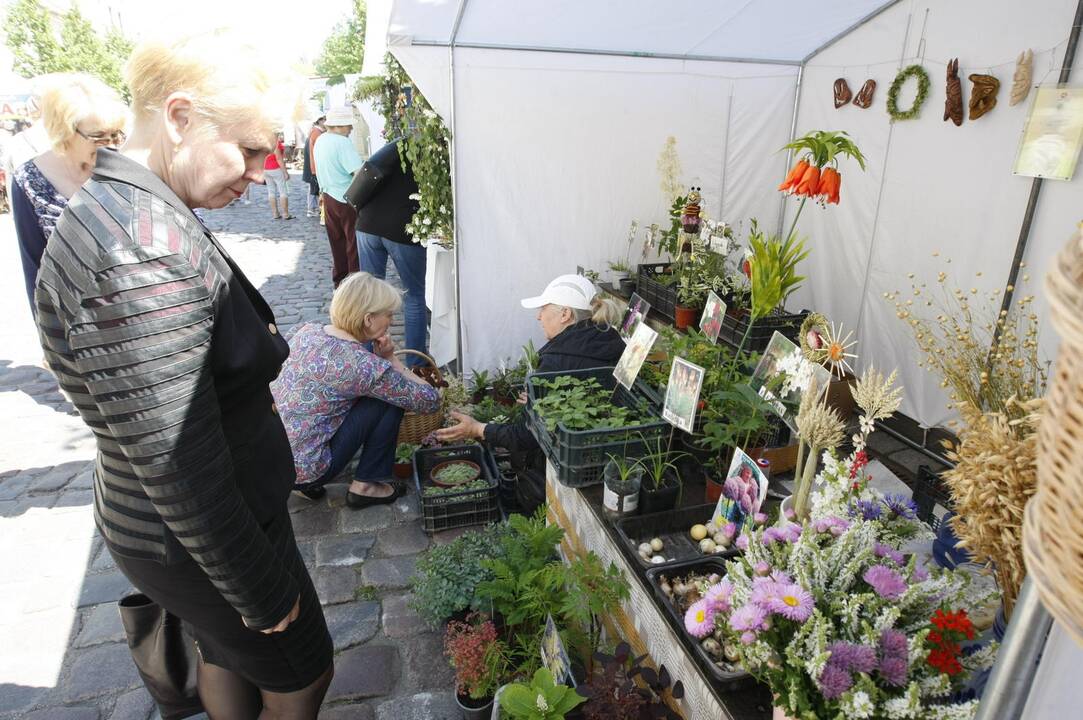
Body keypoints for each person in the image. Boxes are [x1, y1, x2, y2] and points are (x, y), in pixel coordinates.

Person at [33, 35, 333, 718]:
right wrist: (257, 587)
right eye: (252, 148)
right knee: (302, 672)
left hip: (184, 526)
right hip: (199, 534)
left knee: (224, 653)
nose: (264, 171)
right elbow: (178, 466)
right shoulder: (141, 247)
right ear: (179, 117)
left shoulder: (128, 204)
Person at [435, 274, 625, 513]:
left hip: (570, 468)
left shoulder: (558, 362)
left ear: (565, 314)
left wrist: (477, 429)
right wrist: (540, 399)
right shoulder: (611, 340)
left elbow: (528, 435)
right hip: (609, 455)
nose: (538, 316)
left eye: (544, 309)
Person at [271, 272, 440, 505]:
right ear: (368, 319)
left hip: (273, 460)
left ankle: (307, 484)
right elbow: (430, 400)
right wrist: (391, 359)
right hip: (307, 471)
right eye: (389, 315)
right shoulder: (363, 366)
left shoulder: (306, 331)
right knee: (389, 398)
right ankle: (367, 485)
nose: (391, 321)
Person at [11, 74, 127, 313]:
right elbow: (35, 268)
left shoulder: (125, 169)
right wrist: (50, 341)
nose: (112, 145)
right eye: (99, 137)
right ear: (64, 131)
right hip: (74, 321)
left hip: (136, 316)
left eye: (116, 134)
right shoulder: (29, 181)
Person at [350, 140, 427, 365]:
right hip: (403, 228)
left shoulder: (398, 145)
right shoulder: (437, 151)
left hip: (368, 223)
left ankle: (366, 357)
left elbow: (370, 167)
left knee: (369, 294)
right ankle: (416, 363)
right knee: (413, 296)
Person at [314, 107, 362, 287]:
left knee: (337, 243)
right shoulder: (342, 142)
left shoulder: (321, 140)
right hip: (346, 197)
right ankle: (355, 282)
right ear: (340, 125)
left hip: (328, 195)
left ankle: (340, 281)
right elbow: (357, 172)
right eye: (348, 125)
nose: (350, 129)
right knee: (353, 243)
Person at [263, 130, 292, 219]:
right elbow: (279, 159)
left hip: (266, 169)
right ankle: (286, 214)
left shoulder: (263, 143)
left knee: (271, 192)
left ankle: (275, 213)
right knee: (283, 191)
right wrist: (285, 172)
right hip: (276, 169)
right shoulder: (275, 143)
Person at [302, 115, 324, 217]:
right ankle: (312, 209)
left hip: (312, 165)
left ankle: (312, 208)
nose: (326, 121)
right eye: (324, 119)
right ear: (319, 121)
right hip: (314, 166)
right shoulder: (316, 133)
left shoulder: (314, 131)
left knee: (313, 187)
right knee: (314, 188)